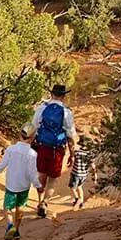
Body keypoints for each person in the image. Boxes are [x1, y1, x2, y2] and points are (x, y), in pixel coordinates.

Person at [0, 122, 43, 240]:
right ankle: (16, 230)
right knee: (20, 208)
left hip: (11, 184)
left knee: (8, 208)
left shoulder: (11, 149)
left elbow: (2, 165)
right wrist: (38, 185)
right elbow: (32, 172)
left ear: (20, 134)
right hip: (24, 185)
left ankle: (9, 225)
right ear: (33, 138)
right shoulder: (32, 154)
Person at [32, 84, 77, 217]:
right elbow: (70, 135)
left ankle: (40, 200)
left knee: (41, 175)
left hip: (42, 146)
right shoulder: (67, 112)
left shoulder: (42, 108)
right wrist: (72, 154)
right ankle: (45, 202)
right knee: (52, 179)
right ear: (63, 96)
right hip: (57, 149)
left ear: (51, 94)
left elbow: (34, 127)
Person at [69, 133, 95, 209]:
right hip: (84, 174)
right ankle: (82, 203)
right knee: (79, 187)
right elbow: (93, 165)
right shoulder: (89, 154)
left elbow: (73, 160)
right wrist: (95, 175)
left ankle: (77, 199)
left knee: (72, 187)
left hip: (76, 172)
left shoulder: (77, 152)